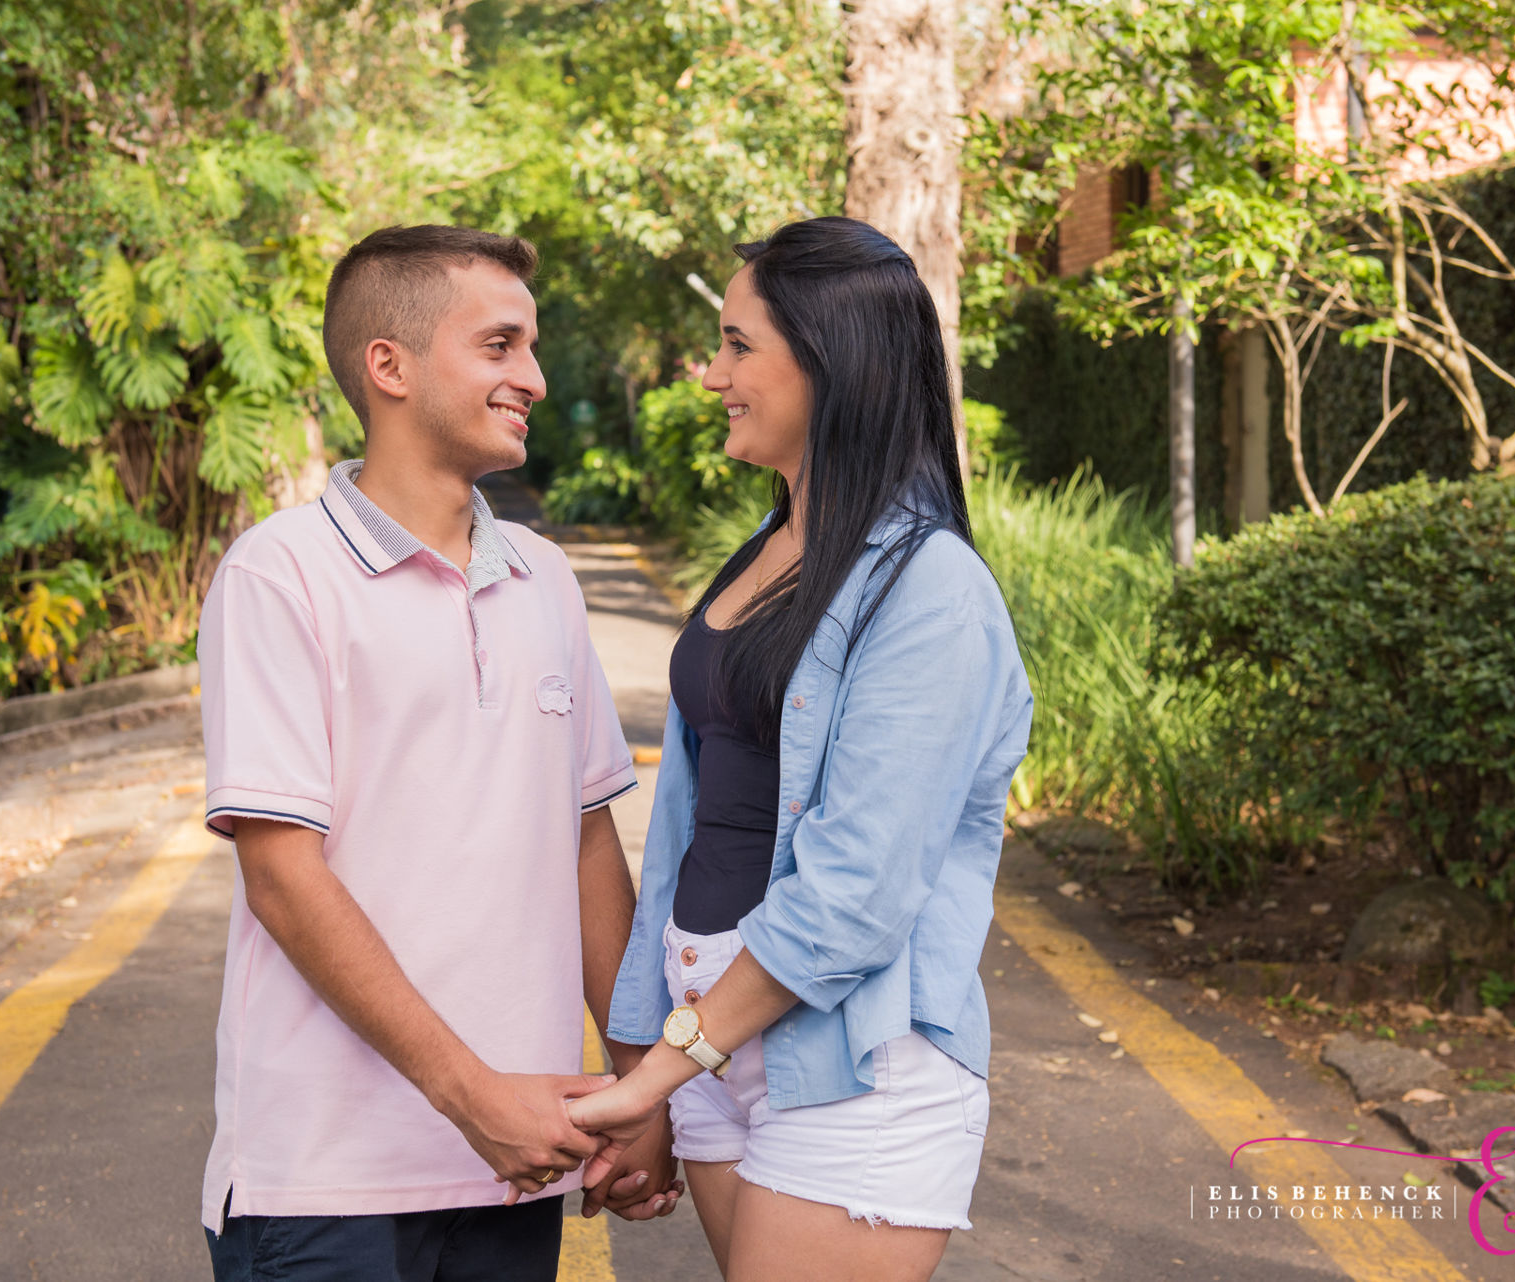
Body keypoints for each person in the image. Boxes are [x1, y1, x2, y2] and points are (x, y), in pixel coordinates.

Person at [196, 224, 681, 1282]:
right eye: (501, 345)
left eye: (533, 348)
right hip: (326, 1183)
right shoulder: (280, 574)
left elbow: (588, 846)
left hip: (517, 1167)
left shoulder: (545, 578)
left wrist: (639, 1085)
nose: (536, 378)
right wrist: (472, 1095)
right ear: (391, 366)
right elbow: (282, 876)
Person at [567, 217, 1033, 1282]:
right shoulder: (774, 545)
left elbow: (857, 893)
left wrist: (656, 1076)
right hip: (718, 1045)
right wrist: (649, 1055)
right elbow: (687, 832)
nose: (712, 372)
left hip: (849, 1056)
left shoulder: (931, 592)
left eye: (738, 345)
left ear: (831, 361)